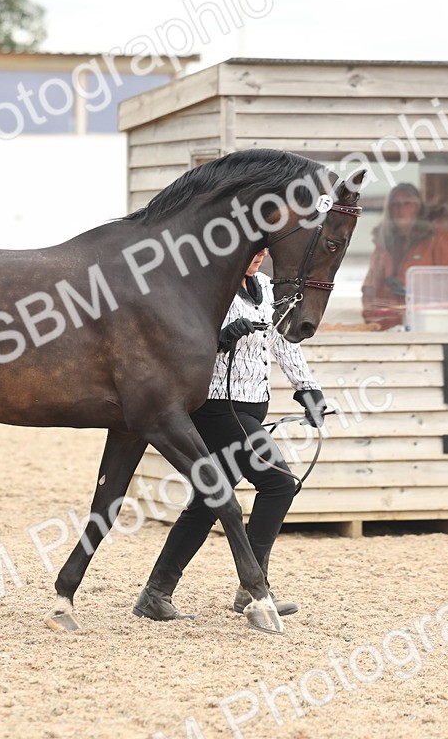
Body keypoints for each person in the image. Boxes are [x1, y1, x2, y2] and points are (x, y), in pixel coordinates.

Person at [133, 248, 326, 622]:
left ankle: (156, 594)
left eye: (264, 248)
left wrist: (308, 389)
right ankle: (253, 587)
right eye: (253, 249)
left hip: (253, 406)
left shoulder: (268, 287)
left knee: (210, 501)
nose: (261, 255)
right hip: (218, 407)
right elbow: (181, 345)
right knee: (279, 484)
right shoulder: (209, 286)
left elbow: (282, 340)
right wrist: (221, 338)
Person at [361, 183, 448, 330]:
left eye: (407, 203)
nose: (400, 210)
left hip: (429, 328)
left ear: (419, 208)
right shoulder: (383, 244)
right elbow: (370, 289)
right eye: (395, 205)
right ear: (389, 211)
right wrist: (373, 321)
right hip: (387, 329)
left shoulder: (441, 239)